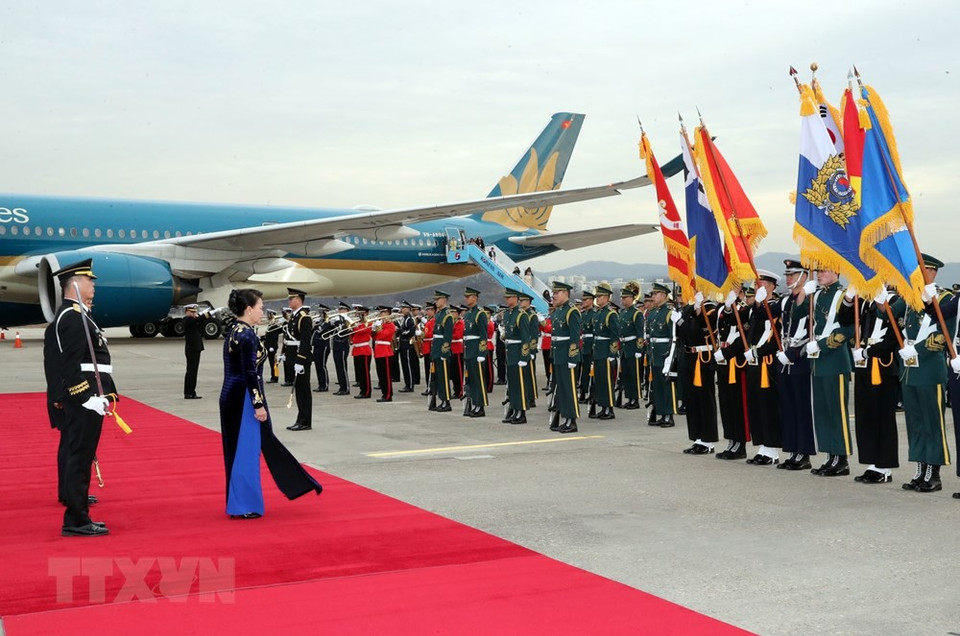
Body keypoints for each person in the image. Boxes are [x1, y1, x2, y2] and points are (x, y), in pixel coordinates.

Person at [219, 288, 322, 518]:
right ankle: (244, 505)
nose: (262, 311)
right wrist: (258, 404)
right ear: (249, 309)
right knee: (246, 452)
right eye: (260, 307)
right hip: (244, 397)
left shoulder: (235, 329)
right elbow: (249, 373)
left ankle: (239, 502)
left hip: (232, 394)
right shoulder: (246, 335)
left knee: (237, 450)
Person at [44, 258, 115, 536]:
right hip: (85, 397)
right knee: (79, 456)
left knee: (82, 456)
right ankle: (76, 519)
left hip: (91, 394)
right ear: (74, 284)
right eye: (89, 280)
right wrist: (86, 397)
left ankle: (79, 513)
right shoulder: (72, 317)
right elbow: (69, 365)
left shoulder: (79, 315)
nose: (93, 285)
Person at [897, 254, 954, 492]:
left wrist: (917, 349)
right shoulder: (911, 298)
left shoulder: (944, 298)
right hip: (909, 370)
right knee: (915, 424)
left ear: (932, 272)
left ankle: (934, 473)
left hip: (930, 370)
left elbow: (943, 336)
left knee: (932, 423)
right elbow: (885, 314)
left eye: (921, 271)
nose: (917, 275)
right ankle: (920, 469)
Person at [837, 285, 902, 483]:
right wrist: (849, 298)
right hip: (863, 365)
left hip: (882, 365)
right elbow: (845, 320)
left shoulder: (893, 301)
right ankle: (872, 463)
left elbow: (894, 337)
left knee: (883, 417)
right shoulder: (864, 301)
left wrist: (868, 352)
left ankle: (885, 467)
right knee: (866, 415)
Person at [805, 270, 854, 476]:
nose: (819, 274)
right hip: (818, 362)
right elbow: (800, 316)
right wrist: (804, 295)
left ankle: (841, 458)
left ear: (836, 271)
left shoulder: (843, 295)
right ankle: (829, 455)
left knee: (836, 411)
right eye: (817, 270)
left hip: (834, 360)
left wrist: (823, 345)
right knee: (822, 412)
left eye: (824, 270)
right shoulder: (817, 295)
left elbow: (848, 330)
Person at [776, 259, 816, 471]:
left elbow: (812, 332)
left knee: (802, 408)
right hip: (785, 360)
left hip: (801, 359)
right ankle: (792, 450)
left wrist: (793, 353)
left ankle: (804, 452)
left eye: (792, 274)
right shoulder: (785, 300)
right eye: (787, 274)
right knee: (788, 407)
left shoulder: (811, 299)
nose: (788, 278)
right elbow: (764, 315)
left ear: (803, 276)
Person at [675, 291, 719, 455]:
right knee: (692, 399)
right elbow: (680, 334)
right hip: (689, 356)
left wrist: (681, 321)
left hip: (703, 357)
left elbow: (696, 331)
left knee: (704, 398)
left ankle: (708, 440)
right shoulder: (689, 308)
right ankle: (697, 438)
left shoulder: (711, 309)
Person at [547, 281, 581, 434]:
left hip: (567, 356)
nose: (554, 295)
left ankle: (572, 421)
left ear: (566, 293)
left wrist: (572, 358)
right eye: (554, 293)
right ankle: (565, 419)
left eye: (557, 293)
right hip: (558, 355)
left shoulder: (571, 312)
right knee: (561, 389)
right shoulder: (558, 311)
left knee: (569, 389)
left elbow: (574, 337)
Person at [644, 283, 674, 426]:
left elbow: (672, 337)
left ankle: (668, 415)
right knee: (657, 386)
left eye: (655, 294)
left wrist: (670, 356)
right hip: (654, 354)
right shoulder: (653, 313)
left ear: (663, 295)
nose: (653, 297)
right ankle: (661, 413)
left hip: (664, 355)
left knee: (666, 386)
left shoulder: (669, 313)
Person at [284, 289, 314, 432]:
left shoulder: (304, 318)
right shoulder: (294, 316)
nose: (289, 301)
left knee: (303, 391)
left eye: (291, 298)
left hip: (300, 358)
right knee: (299, 391)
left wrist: (300, 361)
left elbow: (305, 342)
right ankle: (300, 419)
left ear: (298, 299)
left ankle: (305, 421)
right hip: (293, 356)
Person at [501, 288, 531, 424]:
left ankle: (521, 412)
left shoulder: (521, 315)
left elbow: (525, 338)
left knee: (519, 385)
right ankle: (514, 409)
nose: (507, 300)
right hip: (510, 353)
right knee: (512, 385)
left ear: (515, 298)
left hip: (518, 353)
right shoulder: (508, 314)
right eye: (506, 298)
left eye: (509, 297)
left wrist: (524, 357)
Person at [591, 283, 620, 420]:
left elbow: (614, 336)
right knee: (600, 382)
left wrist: (612, 354)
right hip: (598, 352)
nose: (597, 298)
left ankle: (609, 408)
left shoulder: (611, 314)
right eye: (597, 296)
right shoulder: (598, 314)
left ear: (607, 298)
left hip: (606, 353)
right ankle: (603, 407)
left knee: (607, 381)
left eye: (600, 296)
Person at [462, 287, 489, 417]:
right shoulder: (468, 314)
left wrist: (482, 353)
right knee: (472, 380)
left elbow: (484, 335)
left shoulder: (480, 314)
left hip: (477, 351)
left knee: (479, 380)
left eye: (468, 297)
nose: (466, 299)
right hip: (469, 350)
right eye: (466, 297)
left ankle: (480, 406)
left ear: (475, 297)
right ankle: (474, 404)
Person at [428, 291, 454, 412]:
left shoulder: (447, 315)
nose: (436, 302)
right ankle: (442, 399)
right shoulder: (438, 314)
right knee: (438, 377)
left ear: (444, 299)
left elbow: (448, 336)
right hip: (436, 349)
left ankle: (446, 401)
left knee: (444, 377)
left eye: (438, 299)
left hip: (442, 350)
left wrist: (444, 352)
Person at [372, 306, 396, 402]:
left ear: (388, 314)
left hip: (385, 351)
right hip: (378, 351)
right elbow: (374, 337)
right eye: (381, 312)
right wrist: (373, 329)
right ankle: (384, 393)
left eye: (383, 312)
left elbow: (382, 335)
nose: (381, 314)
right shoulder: (381, 324)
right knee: (381, 375)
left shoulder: (390, 325)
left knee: (386, 376)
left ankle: (388, 395)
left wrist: (378, 328)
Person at [183, 303, 204, 399]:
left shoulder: (191, 321)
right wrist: (208, 314)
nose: (194, 314)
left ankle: (190, 392)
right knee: (192, 371)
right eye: (192, 312)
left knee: (193, 371)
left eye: (195, 312)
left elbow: (198, 321)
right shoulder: (187, 320)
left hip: (194, 348)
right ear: (187, 311)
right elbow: (198, 319)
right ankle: (189, 393)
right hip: (193, 349)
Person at [351, 306, 373, 399]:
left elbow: (361, 331)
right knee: (360, 373)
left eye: (361, 312)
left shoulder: (368, 322)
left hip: (364, 349)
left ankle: (366, 392)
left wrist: (353, 327)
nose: (358, 314)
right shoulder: (357, 323)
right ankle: (362, 390)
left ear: (366, 313)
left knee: (365, 373)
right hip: (357, 349)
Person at [396, 302, 417, 392]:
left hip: (407, 344)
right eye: (402, 308)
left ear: (408, 309)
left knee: (408, 366)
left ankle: (410, 385)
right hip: (403, 345)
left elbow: (410, 332)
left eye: (404, 308)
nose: (402, 310)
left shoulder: (409, 320)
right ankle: (407, 384)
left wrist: (399, 331)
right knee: (404, 366)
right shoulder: (404, 319)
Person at [312, 304, 332, 392]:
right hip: (317, 345)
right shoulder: (320, 321)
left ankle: (325, 385)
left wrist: (316, 325)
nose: (319, 313)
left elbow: (321, 330)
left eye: (321, 311)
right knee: (318, 365)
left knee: (322, 365)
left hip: (323, 345)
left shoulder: (327, 322)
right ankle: (321, 384)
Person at [263, 309, 283, 383]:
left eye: (268, 314)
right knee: (272, 363)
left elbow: (274, 338)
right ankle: (273, 376)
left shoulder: (274, 326)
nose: (267, 315)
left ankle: (275, 377)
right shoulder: (271, 324)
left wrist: (271, 346)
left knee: (273, 363)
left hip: (272, 347)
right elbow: (268, 336)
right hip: (269, 346)